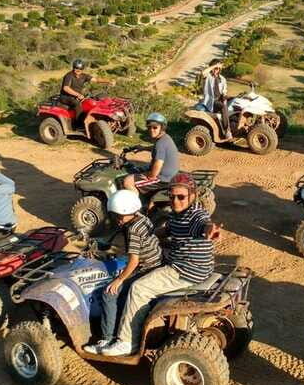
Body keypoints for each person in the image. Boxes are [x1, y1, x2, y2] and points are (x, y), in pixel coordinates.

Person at [102, 173, 220, 356]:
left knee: (138, 288)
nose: (175, 201)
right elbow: (166, 231)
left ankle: (126, 342)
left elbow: (203, 224)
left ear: (193, 195)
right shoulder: (177, 215)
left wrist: (210, 229)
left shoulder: (195, 215)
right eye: (172, 196)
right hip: (192, 265)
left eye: (181, 197)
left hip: (184, 270)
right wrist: (149, 235)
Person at [83, 190, 162, 354]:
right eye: (116, 216)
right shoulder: (143, 218)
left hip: (145, 267)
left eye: (119, 216)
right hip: (156, 262)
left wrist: (119, 280)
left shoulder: (133, 230)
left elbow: (134, 261)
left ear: (127, 212)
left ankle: (106, 339)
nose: (118, 219)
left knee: (109, 293)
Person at [122, 113, 179, 196]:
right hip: (169, 175)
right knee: (141, 168)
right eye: (149, 127)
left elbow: (158, 163)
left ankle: (135, 204)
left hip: (163, 178)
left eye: (155, 127)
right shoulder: (165, 138)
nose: (151, 130)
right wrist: (143, 148)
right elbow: (157, 149)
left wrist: (151, 176)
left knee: (128, 181)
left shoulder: (160, 144)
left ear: (162, 128)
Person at [59, 59, 115, 123]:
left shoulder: (84, 76)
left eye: (80, 69)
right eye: (76, 68)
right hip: (66, 97)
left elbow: (96, 80)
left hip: (77, 96)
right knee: (77, 104)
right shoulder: (69, 76)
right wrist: (78, 94)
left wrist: (108, 81)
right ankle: (79, 123)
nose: (78, 70)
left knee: (91, 101)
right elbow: (66, 88)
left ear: (82, 69)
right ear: (73, 67)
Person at [200, 58, 231, 139]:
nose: (216, 70)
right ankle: (227, 131)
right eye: (215, 68)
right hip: (210, 101)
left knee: (233, 105)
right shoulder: (208, 77)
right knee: (223, 106)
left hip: (219, 100)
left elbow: (224, 91)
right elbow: (203, 73)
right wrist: (215, 65)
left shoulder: (222, 79)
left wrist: (225, 97)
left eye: (218, 68)